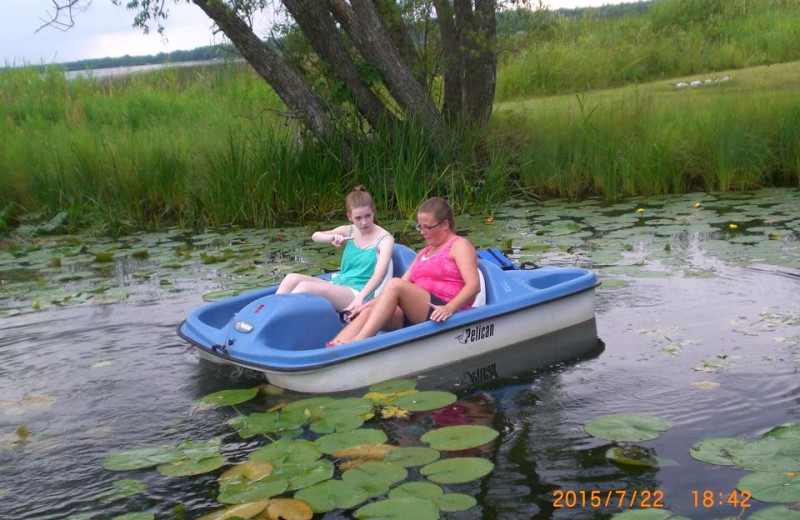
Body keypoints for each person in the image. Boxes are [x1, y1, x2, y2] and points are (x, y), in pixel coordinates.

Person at [327, 197, 480, 346]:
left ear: (445, 224)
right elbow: (396, 288)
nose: (422, 232)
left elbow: (473, 285)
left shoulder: (459, 246)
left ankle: (359, 342)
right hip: (416, 309)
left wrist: (449, 308)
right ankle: (334, 349)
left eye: (427, 227)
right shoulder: (424, 252)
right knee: (368, 311)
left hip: (442, 308)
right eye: (419, 227)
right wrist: (365, 305)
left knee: (395, 284)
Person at [276, 186, 394, 314]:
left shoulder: (385, 239)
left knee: (305, 287)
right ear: (350, 217)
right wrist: (330, 237)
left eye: (368, 216)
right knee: (290, 278)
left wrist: (359, 299)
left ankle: (280, 317)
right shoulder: (349, 231)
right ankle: (272, 312)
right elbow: (315, 236)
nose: (364, 222)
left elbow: (379, 275)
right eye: (358, 218)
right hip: (339, 283)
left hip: (360, 292)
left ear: (374, 212)